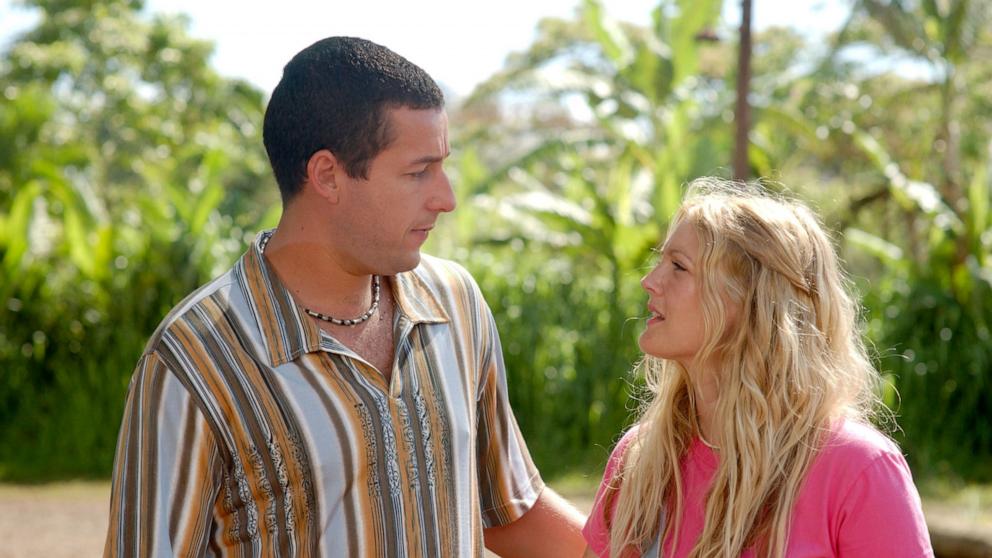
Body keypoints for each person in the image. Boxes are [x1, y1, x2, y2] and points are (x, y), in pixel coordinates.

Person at [104, 36, 585, 557]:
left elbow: (510, 510)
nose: (445, 198)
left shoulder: (455, 304)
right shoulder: (194, 360)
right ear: (328, 176)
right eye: (417, 172)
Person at [582, 179, 934, 558]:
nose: (649, 281)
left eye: (678, 267)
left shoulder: (858, 470)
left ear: (751, 301)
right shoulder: (639, 460)